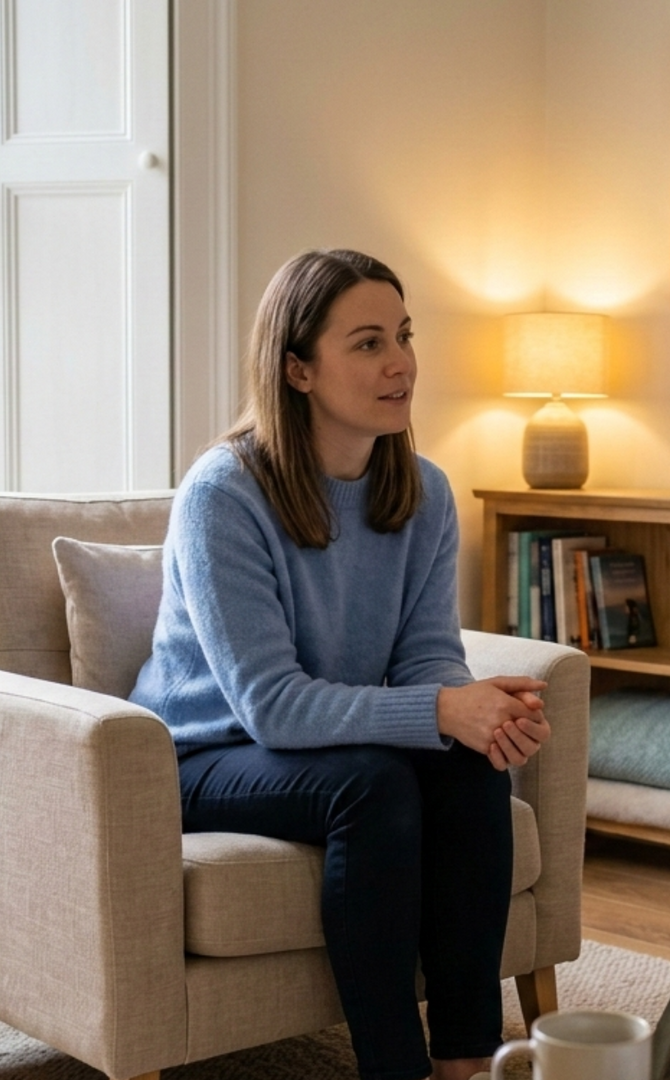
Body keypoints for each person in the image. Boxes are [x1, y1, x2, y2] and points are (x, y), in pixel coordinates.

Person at [128, 249, 553, 1080]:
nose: (401, 363)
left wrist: (476, 710)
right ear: (297, 369)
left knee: (471, 777)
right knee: (374, 783)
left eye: (402, 335)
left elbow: (427, 655)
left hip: (316, 748)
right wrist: (439, 713)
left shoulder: (424, 492)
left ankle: (469, 1060)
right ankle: (395, 1069)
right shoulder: (224, 493)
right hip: (196, 755)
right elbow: (270, 708)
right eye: (366, 344)